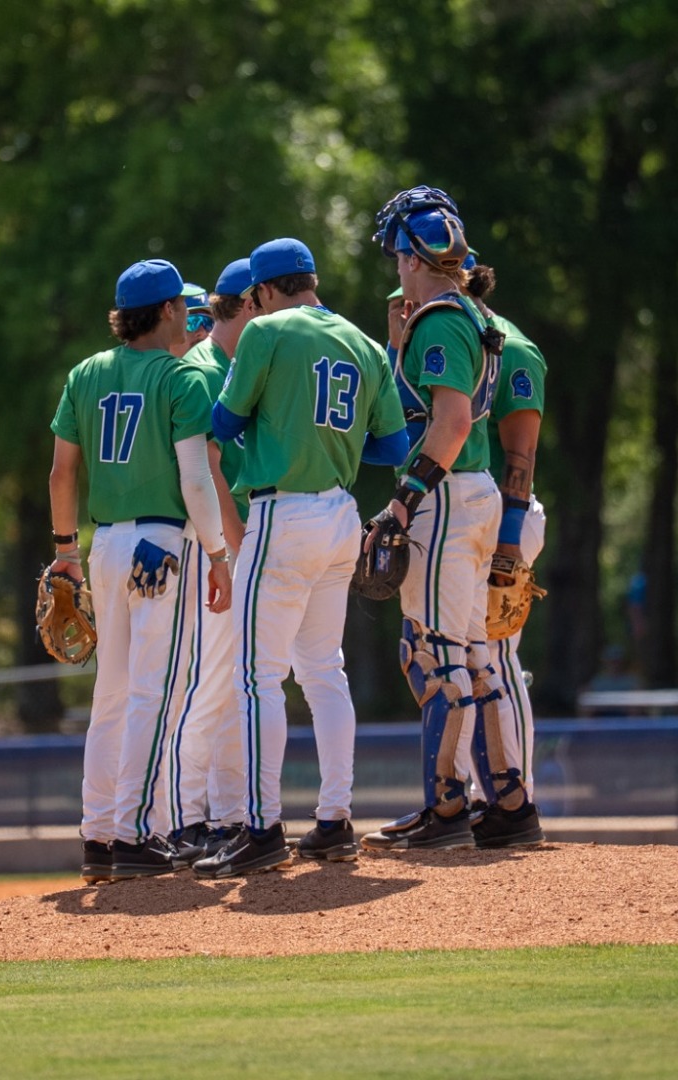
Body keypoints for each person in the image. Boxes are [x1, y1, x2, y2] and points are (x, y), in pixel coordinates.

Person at [196, 236, 409, 878]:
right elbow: (393, 445)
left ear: (261, 291)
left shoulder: (265, 333)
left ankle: (261, 828)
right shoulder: (364, 342)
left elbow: (224, 423)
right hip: (340, 513)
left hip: (281, 514)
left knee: (257, 676)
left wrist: (279, 425)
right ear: (311, 280)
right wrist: (328, 439)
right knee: (324, 672)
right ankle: (335, 819)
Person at [48, 258, 234, 884]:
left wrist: (64, 550)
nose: (189, 314)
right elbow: (195, 476)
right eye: (182, 305)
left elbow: (62, 473)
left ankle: (98, 834)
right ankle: (133, 834)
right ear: (167, 312)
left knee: (112, 696)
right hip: (163, 545)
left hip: (103, 546)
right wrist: (216, 553)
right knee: (158, 693)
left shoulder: (86, 373)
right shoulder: (183, 379)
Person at [359, 185, 523, 852]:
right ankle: (507, 803)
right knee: (473, 657)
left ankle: (448, 811)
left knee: (432, 654)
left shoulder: (440, 320)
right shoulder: (464, 313)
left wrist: (404, 500)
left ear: (410, 257)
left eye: (398, 255)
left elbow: (450, 423)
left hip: (449, 497)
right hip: (474, 493)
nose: (395, 267)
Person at [167, 258, 256, 863]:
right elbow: (205, 472)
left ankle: (223, 817)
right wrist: (231, 546)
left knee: (226, 684)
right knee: (208, 684)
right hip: (211, 545)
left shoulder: (235, 365)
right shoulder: (204, 371)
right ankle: (181, 818)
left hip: (224, 542)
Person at [463, 251, 549, 829]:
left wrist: (511, 545)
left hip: (504, 521)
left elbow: (521, 457)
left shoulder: (508, 346)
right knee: (473, 658)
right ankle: (485, 793)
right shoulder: (453, 338)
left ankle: (516, 796)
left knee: (495, 654)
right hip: (472, 520)